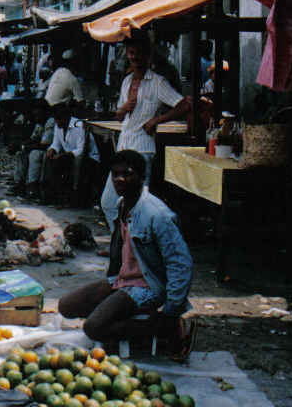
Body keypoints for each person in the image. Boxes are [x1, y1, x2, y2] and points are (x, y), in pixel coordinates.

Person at [59, 150, 195, 359]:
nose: (120, 179)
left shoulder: (156, 214)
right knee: (66, 306)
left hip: (148, 286)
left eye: (127, 174)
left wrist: (171, 309)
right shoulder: (121, 204)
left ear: (141, 177)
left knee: (94, 328)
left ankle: (165, 328)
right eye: (115, 174)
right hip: (121, 280)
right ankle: (123, 319)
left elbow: (180, 263)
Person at [99, 36, 190, 230]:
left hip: (142, 150)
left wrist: (157, 120)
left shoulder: (158, 82)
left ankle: (136, 250)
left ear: (148, 56)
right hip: (124, 148)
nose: (135, 57)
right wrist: (123, 109)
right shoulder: (126, 82)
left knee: (138, 205)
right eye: (131, 54)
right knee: (109, 203)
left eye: (139, 53)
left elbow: (184, 105)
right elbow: (119, 117)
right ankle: (122, 244)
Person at [45, 102, 100, 208]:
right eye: (56, 119)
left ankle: (74, 196)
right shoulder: (59, 125)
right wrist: (52, 149)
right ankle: (50, 193)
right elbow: (56, 143)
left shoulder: (79, 126)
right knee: (49, 158)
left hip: (88, 157)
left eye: (59, 119)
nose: (57, 122)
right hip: (69, 155)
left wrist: (64, 155)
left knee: (74, 161)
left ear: (66, 118)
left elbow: (81, 150)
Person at [8, 99, 54, 198]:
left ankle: (32, 186)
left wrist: (25, 146)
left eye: (38, 114)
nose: (36, 117)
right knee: (21, 153)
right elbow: (33, 139)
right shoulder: (39, 122)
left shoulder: (51, 122)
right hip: (40, 147)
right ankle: (20, 183)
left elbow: (44, 144)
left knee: (35, 154)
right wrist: (20, 145)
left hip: (50, 149)